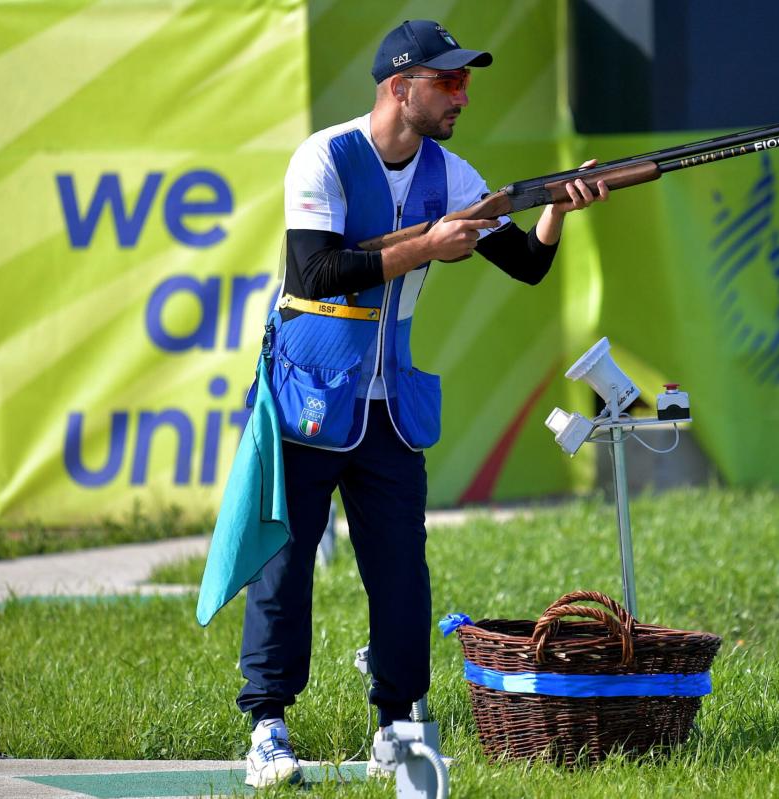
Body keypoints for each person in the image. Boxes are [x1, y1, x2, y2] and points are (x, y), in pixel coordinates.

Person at [237, 19, 608, 787]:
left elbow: (530, 265)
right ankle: (268, 724)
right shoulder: (325, 157)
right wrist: (427, 246)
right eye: (449, 81)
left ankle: (399, 725)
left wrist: (558, 209)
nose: (463, 95)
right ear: (399, 88)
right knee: (283, 562)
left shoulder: (456, 175)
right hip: (307, 391)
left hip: (390, 406)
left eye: (465, 80)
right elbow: (315, 273)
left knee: (403, 572)